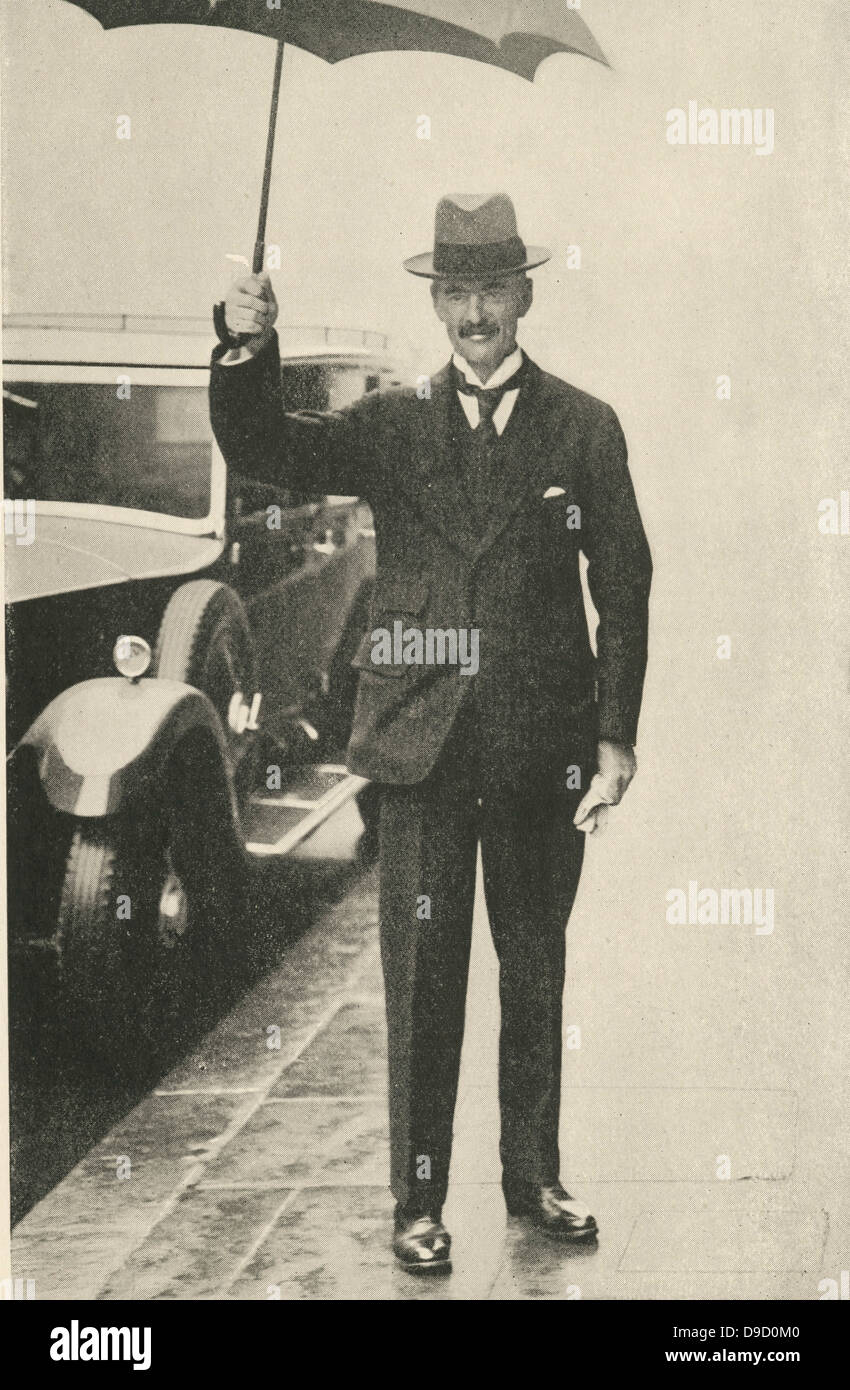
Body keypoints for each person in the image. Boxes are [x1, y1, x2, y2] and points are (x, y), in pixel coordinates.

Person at [210, 192, 652, 1274]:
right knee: (423, 976)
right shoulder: (395, 424)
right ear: (437, 304)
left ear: (524, 297)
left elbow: (625, 579)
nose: (473, 313)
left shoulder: (584, 425)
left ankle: (532, 1173)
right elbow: (264, 442)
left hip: (542, 742)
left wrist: (612, 737)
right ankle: (416, 1200)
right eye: (454, 293)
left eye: (491, 291)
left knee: (533, 964)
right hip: (417, 748)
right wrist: (242, 342)